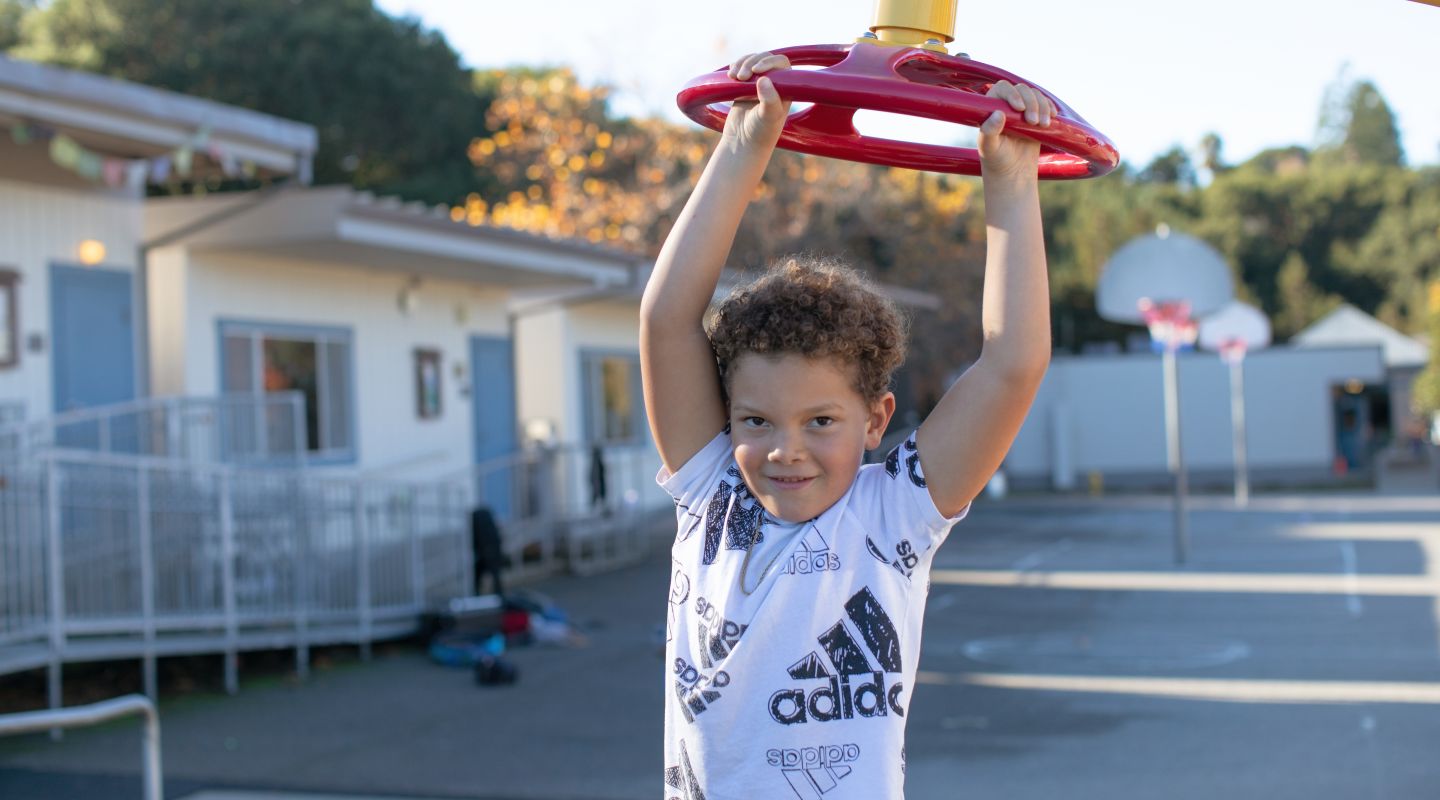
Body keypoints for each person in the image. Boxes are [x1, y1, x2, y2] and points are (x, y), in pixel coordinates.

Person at [641, 50, 1054, 798]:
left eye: (821, 420)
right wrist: (744, 145)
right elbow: (668, 319)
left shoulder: (890, 515)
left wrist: (1011, 184)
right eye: (756, 420)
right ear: (727, 415)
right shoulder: (713, 497)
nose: (784, 450)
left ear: (876, 419)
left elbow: (1012, 364)